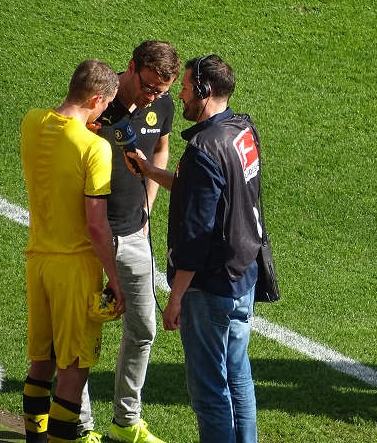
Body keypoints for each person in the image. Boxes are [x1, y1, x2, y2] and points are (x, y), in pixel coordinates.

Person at [126, 55, 262, 443]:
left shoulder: (204, 148)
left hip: (210, 286)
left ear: (205, 90)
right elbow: (205, 189)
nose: (181, 96)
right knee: (237, 377)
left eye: (186, 88)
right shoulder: (242, 130)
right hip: (243, 278)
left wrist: (176, 299)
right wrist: (150, 171)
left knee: (209, 391)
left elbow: (197, 234)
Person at [78, 41, 181, 443]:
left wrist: (148, 207)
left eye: (161, 90)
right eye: (148, 86)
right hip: (89, 237)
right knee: (81, 331)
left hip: (135, 233)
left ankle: (125, 422)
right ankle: (78, 425)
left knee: (143, 329)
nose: (152, 96)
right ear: (131, 67)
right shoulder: (97, 103)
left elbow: (162, 148)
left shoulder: (163, 104)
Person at [20, 59, 126, 443]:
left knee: (41, 363)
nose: (105, 111)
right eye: (106, 104)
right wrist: (115, 279)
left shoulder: (32, 121)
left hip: (38, 260)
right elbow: (96, 226)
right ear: (96, 99)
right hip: (75, 268)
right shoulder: (95, 148)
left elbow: (60, 138)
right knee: (73, 370)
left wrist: (81, 129)